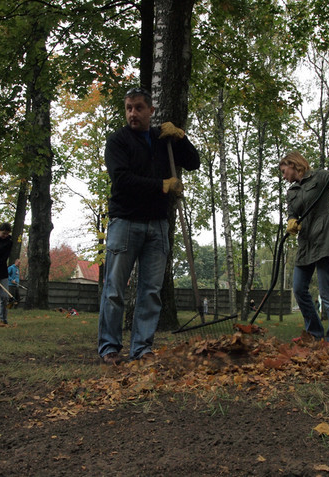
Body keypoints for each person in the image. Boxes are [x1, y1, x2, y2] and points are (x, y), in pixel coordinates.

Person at [98, 86, 200, 365]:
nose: (133, 113)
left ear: (151, 111)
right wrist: (162, 185)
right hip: (125, 222)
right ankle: (109, 348)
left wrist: (182, 137)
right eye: (129, 108)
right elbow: (121, 179)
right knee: (115, 290)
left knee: (151, 292)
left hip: (157, 224)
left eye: (139, 107)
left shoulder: (162, 139)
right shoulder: (117, 141)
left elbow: (194, 163)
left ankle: (141, 348)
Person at [279, 151, 329, 348]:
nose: (284, 176)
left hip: (324, 239)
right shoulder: (291, 191)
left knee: (327, 292)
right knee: (299, 288)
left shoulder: (319, 176)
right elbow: (292, 213)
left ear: (293, 165)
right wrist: (291, 221)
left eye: (285, 171)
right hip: (305, 243)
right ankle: (314, 332)